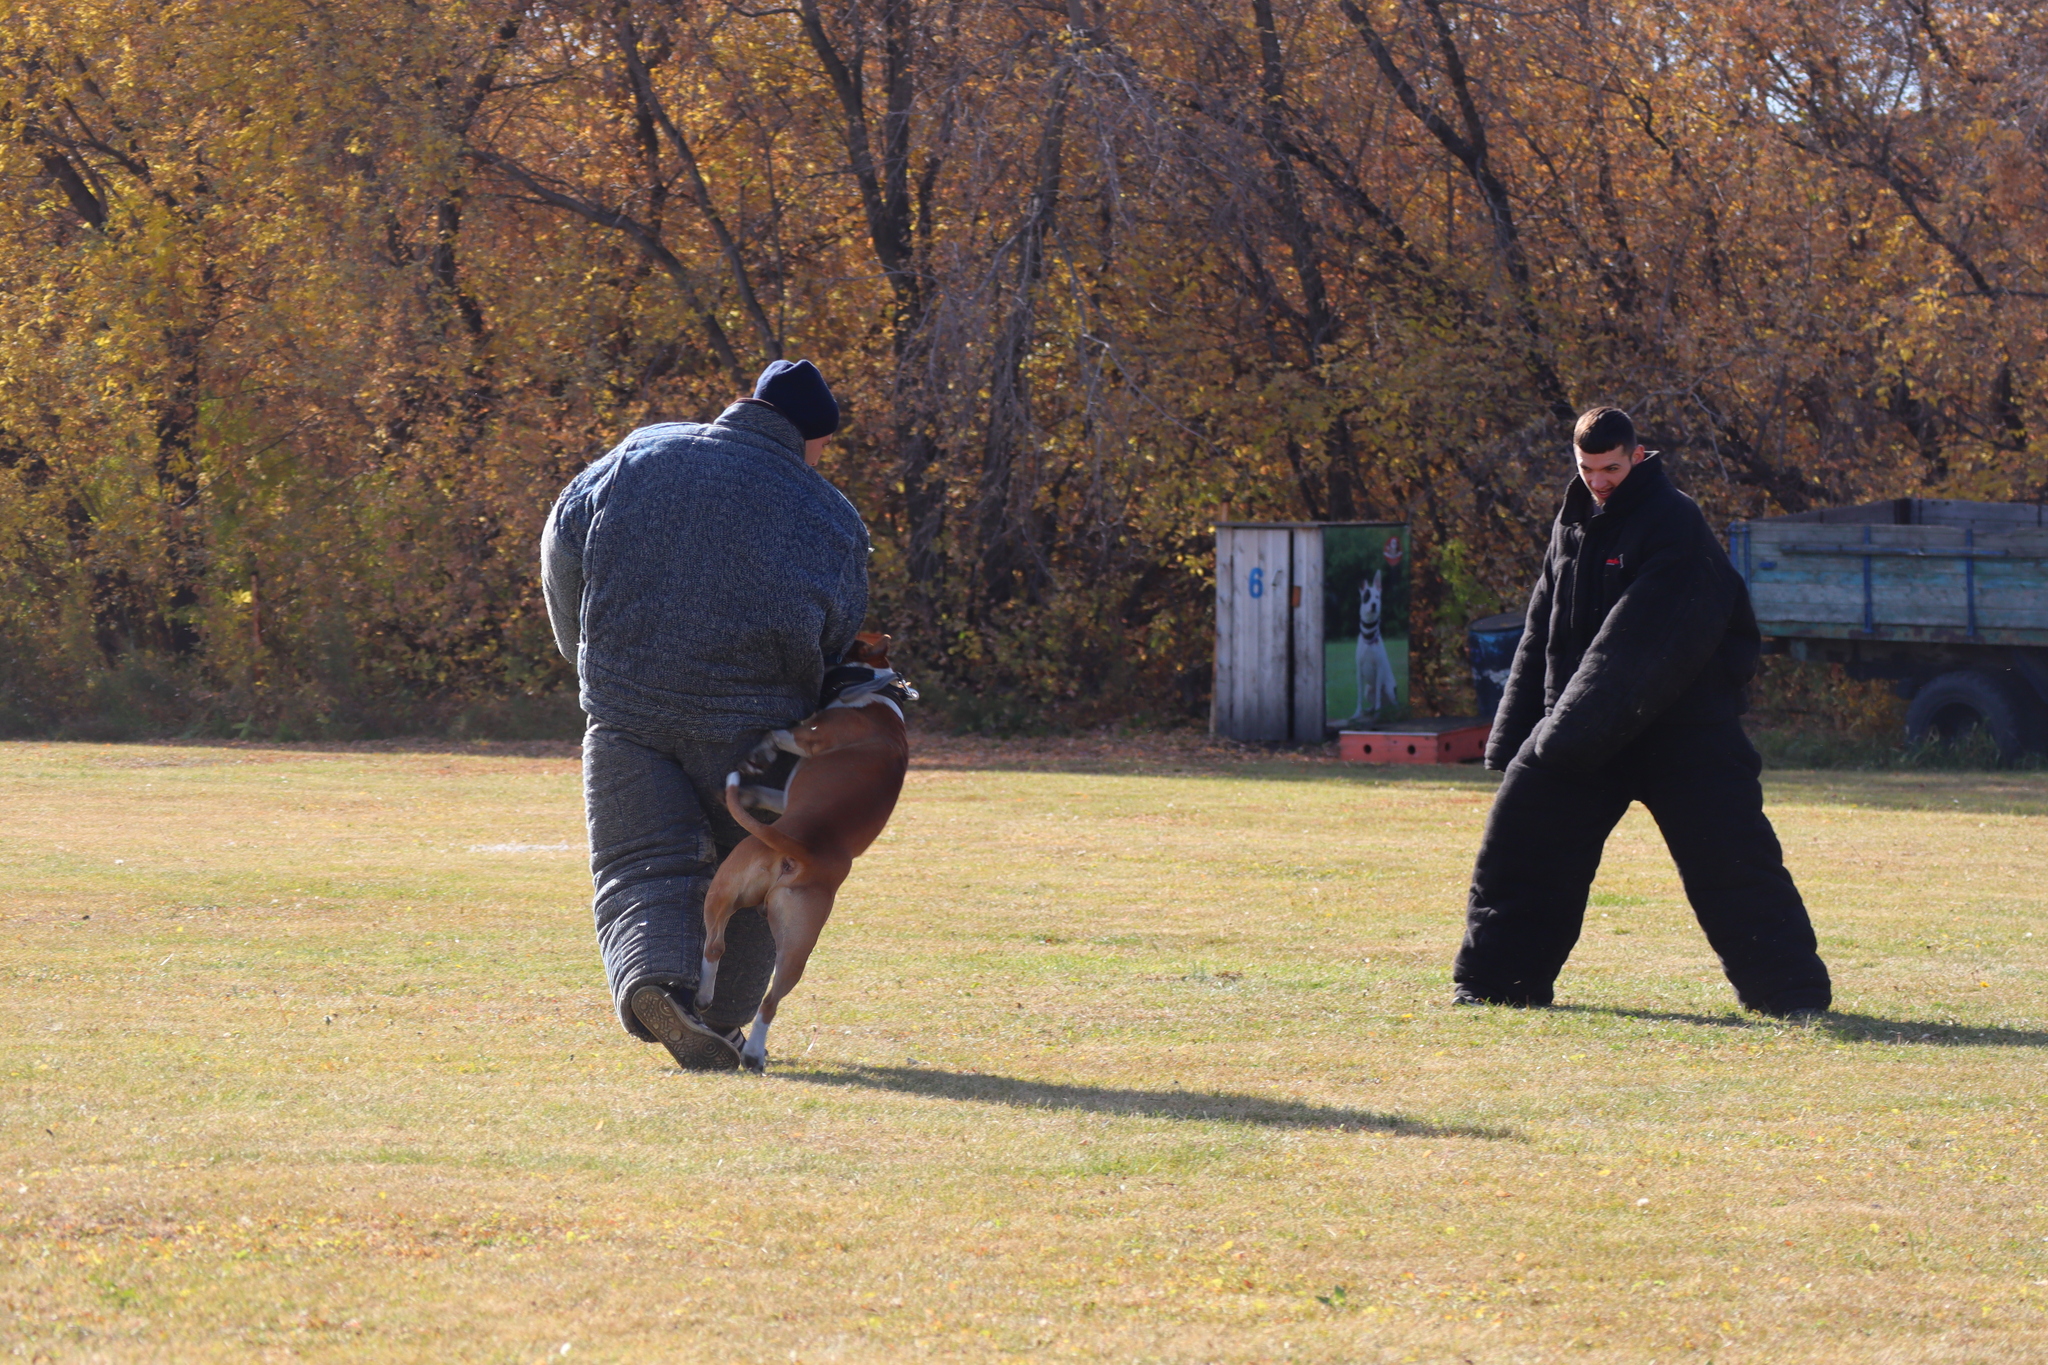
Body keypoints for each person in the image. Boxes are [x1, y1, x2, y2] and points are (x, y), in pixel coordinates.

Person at [540, 359, 869, 1070]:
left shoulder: (639, 453)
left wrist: (583, 651)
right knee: (751, 868)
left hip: (627, 706)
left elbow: (561, 544)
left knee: (639, 862)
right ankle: (718, 1015)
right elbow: (839, 632)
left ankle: (658, 984)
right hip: (752, 726)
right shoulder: (832, 517)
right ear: (813, 439)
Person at [1453, 406, 1831, 1017]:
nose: (1599, 481)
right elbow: (1543, 626)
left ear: (1637, 455)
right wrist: (1516, 734)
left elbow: (1641, 640)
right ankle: (1498, 987)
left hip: (1685, 731)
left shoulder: (1674, 523)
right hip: (1582, 727)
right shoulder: (1574, 517)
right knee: (1524, 847)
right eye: (1586, 468)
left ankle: (1792, 997)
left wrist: (1557, 740)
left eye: (1610, 468)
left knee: (1734, 865)